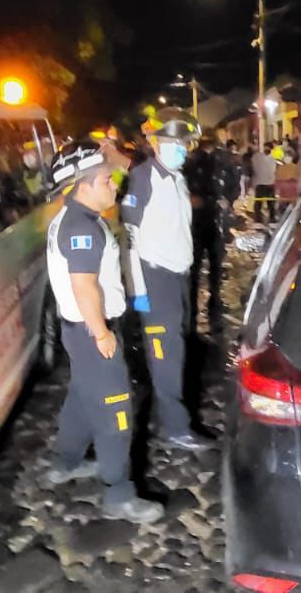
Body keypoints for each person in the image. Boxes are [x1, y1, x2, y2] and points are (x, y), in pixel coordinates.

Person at [44, 140, 165, 523]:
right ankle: (118, 494)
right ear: (84, 185)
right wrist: (102, 334)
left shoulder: (76, 217)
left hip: (77, 332)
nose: (114, 185)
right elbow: (84, 287)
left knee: (82, 397)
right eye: (107, 180)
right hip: (90, 330)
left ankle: (65, 463)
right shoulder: (82, 227)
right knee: (117, 412)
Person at [121, 108, 215, 453]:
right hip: (156, 279)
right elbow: (129, 236)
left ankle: (173, 420)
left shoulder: (176, 177)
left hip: (178, 277)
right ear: (156, 142)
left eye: (184, 143)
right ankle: (175, 428)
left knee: (177, 349)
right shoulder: (144, 177)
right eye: (173, 142)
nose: (181, 148)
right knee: (166, 356)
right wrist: (140, 291)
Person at [183, 138, 241, 333]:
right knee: (198, 269)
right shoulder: (192, 167)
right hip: (199, 223)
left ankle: (210, 309)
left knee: (210, 269)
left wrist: (226, 201)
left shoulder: (216, 165)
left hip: (211, 222)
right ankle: (195, 312)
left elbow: (230, 187)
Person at [250, 141, 277, 223]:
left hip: (266, 183)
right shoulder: (271, 159)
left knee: (265, 203)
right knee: (265, 203)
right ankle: (265, 218)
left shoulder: (257, 157)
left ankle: (261, 218)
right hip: (265, 183)